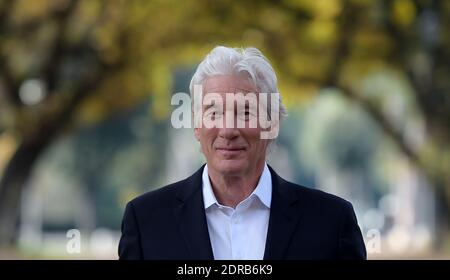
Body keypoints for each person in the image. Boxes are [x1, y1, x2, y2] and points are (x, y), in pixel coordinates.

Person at [118, 46, 367, 260]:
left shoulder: (331, 224)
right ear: (196, 124)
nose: (228, 130)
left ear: (271, 123)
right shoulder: (146, 223)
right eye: (213, 112)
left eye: (245, 112)